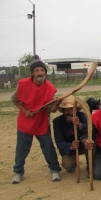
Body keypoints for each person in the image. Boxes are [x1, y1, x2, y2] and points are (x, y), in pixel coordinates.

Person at [11, 55, 61, 184]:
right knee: (21, 149)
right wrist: (25, 111)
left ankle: (54, 170)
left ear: (45, 72)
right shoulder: (22, 84)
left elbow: (52, 110)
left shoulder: (50, 88)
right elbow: (14, 99)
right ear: (32, 73)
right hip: (25, 122)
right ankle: (18, 172)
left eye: (42, 70)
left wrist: (56, 103)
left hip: (41, 122)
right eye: (37, 70)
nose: (40, 73)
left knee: (48, 147)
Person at [53, 95, 88, 172]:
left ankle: (90, 166)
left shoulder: (83, 116)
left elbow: (90, 131)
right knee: (67, 165)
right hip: (70, 148)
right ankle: (73, 163)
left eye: (71, 109)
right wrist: (71, 146)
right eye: (65, 110)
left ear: (76, 110)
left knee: (91, 143)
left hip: (83, 144)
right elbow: (59, 141)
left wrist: (80, 125)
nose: (68, 112)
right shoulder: (57, 122)